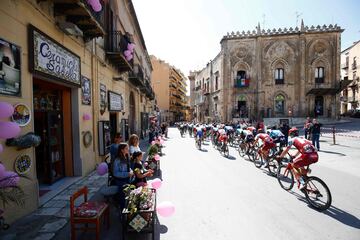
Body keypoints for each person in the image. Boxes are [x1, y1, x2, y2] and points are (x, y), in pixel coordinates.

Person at [113, 143, 134, 210]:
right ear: (122, 150)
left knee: (128, 197)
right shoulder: (117, 160)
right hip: (121, 181)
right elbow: (115, 173)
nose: (128, 150)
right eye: (126, 148)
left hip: (127, 179)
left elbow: (128, 167)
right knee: (122, 199)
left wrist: (131, 171)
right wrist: (127, 174)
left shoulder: (127, 156)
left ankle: (127, 213)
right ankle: (123, 214)